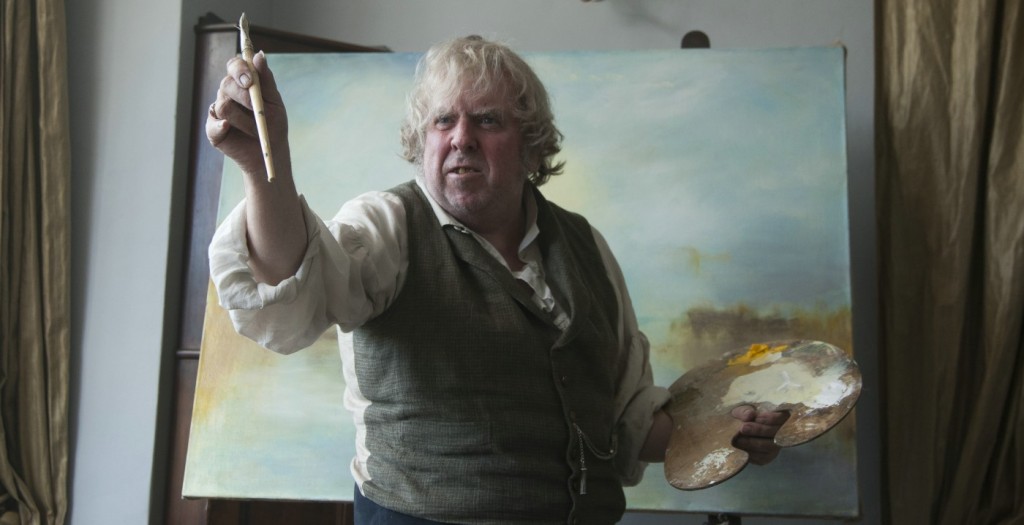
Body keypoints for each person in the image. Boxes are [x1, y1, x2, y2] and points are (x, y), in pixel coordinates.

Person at [207, 35, 788, 524]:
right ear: (423, 140)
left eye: (487, 120)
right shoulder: (386, 226)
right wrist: (262, 166)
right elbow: (290, 298)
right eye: (443, 120)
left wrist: (721, 433)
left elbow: (625, 421)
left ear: (531, 147)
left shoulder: (585, 245)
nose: (461, 137)